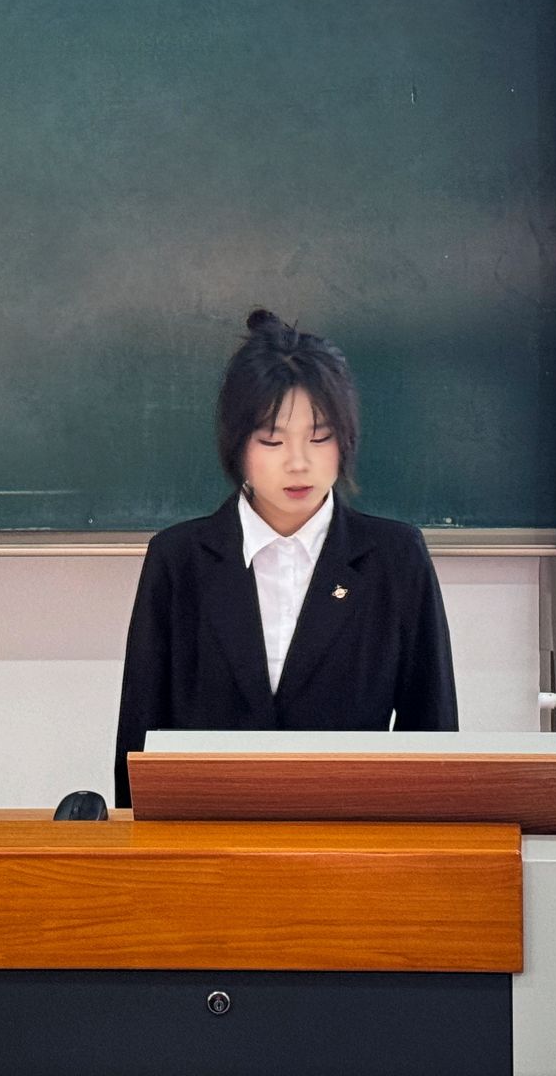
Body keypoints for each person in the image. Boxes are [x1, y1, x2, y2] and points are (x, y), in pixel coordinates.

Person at [112, 308, 458, 807]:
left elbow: (434, 739)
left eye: (320, 437)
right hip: (207, 837)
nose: (299, 463)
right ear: (238, 447)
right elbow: (138, 741)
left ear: (345, 440)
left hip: (353, 837)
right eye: (272, 440)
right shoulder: (179, 560)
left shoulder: (394, 559)